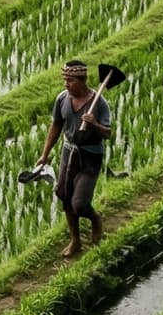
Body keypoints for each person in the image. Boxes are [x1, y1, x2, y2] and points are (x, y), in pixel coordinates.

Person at [36, 59, 112, 257]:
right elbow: (56, 126)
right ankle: (75, 241)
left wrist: (94, 123)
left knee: (79, 203)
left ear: (82, 80)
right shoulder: (62, 99)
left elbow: (107, 133)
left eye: (70, 80)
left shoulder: (99, 103)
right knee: (64, 196)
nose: (66, 84)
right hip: (68, 153)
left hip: (90, 156)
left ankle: (95, 219)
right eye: (65, 80)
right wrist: (45, 154)